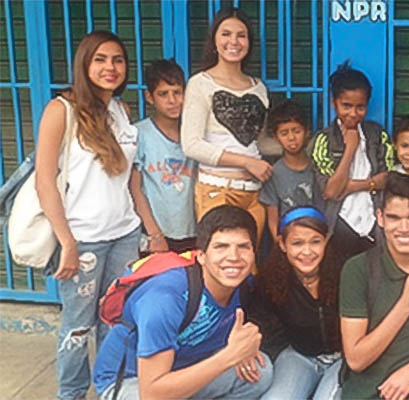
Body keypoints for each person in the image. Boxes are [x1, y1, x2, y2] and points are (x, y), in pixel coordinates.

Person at [34, 30, 141, 400]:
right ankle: (72, 393)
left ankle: (112, 388)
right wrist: (66, 242)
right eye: (100, 59)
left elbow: (130, 180)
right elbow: (44, 181)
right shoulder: (61, 110)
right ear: (84, 63)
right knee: (78, 327)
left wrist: (150, 230)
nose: (110, 67)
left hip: (124, 234)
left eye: (117, 60)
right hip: (83, 239)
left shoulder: (122, 111)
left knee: (117, 320)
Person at [93, 205, 273, 399]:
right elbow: (152, 394)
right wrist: (229, 356)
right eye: (221, 247)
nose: (234, 257)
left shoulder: (244, 285)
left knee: (259, 371)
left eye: (243, 247)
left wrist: (243, 345)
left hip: (187, 367)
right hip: (133, 382)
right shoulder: (164, 299)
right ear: (201, 256)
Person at [338, 172, 409, 400]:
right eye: (394, 218)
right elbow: (356, 360)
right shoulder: (358, 269)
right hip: (367, 393)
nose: (404, 227)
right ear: (380, 218)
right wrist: (406, 304)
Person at [181, 7, 271, 245]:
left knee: (249, 261)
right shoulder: (200, 83)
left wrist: (301, 148)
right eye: (226, 34)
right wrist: (246, 162)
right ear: (214, 39)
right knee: (221, 260)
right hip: (217, 190)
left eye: (241, 35)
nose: (234, 41)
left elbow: (259, 143)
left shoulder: (258, 87)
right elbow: (192, 145)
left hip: (254, 193)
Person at [248, 206, 344, 400]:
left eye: (315, 242)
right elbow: (262, 327)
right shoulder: (270, 281)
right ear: (282, 244)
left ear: (326, 241)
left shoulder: (344, 272)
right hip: (298, 356)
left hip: (343, 358)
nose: (307, 252)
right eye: (297, 243)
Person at [311, 62, 395, 261]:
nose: (353, 113)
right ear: (334, 103)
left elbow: (387, 179)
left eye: (360, 107)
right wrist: (350, 148)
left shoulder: (378, 135)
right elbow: (331, 192)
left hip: (374, 224)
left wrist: (349, 187)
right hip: (338, 225)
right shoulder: (323, 140)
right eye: (346, 106)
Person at [130, 59, 197, 254]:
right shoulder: (139, 134)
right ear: (149, 97)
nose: (172, 100)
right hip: (156, 233)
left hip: (193, 231)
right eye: (163, 94)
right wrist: (154, 234)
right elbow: (135, 188)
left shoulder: (193, 134)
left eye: (177, 92)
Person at [259, 100, 322, 241]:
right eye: (284, 133)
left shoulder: (318, 168)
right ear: (276, 137)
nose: (291, 138)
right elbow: (273, 215)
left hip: (317, 237)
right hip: (289, 240)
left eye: (297, 131)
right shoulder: (273, 173)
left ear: (307, 132)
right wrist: (278, 241)